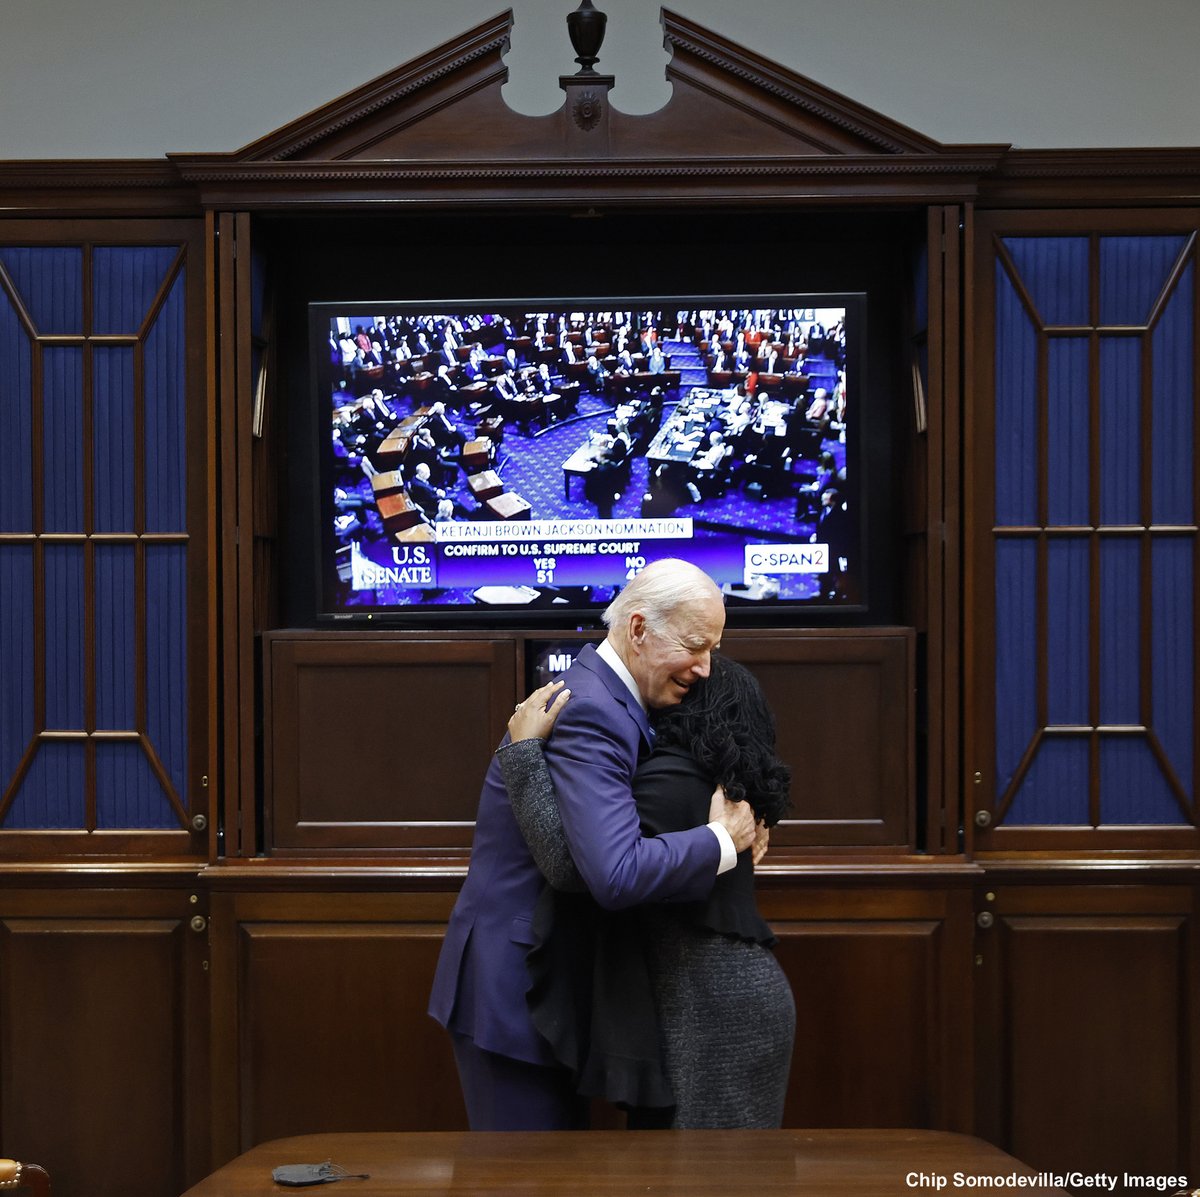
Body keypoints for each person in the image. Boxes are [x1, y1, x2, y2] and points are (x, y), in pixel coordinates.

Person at [428, 560, 758, 1131]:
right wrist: (721, 840)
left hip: (544, 982)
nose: (706, 667)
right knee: (525, 1184)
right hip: (517, 989)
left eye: (714, 648)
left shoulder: (613, 698)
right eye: (696, 646)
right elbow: (616, 872)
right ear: (638, 629)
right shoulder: (593, 711)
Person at [501, 654, 794, 1128]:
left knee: (704, 1174)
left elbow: (580, 869)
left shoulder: (676, 778)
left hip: (710, 1006)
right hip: (724, 998)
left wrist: (525, 754)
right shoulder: (720, 783)